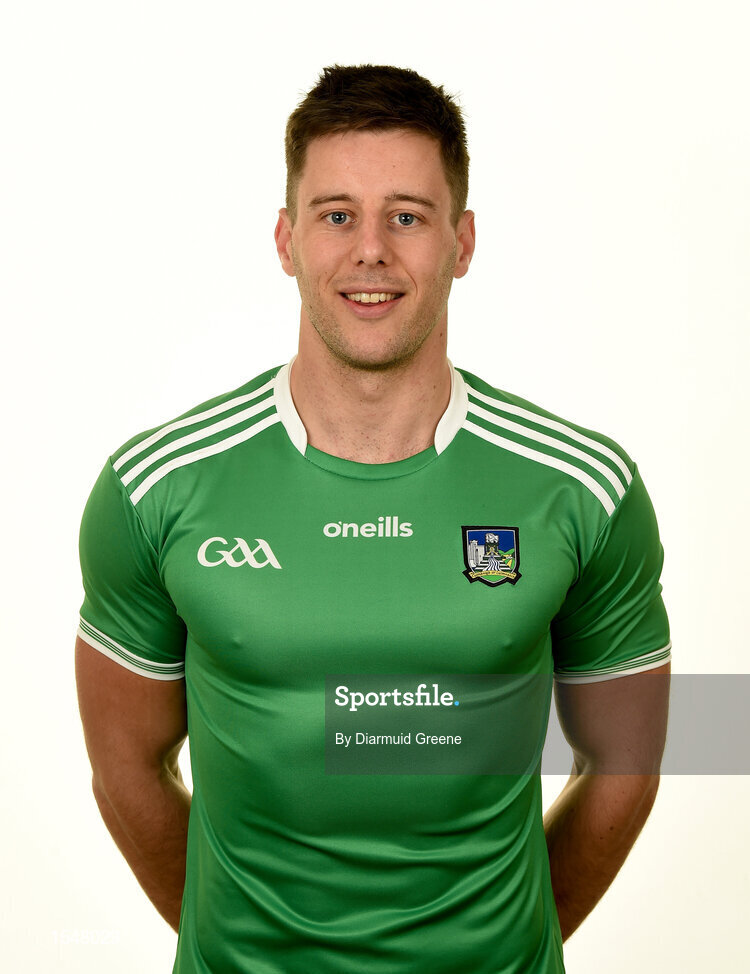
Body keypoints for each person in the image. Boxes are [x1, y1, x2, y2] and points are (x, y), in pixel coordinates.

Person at [75, 64, 671, 973]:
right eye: (335, 215)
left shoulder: (585, 489)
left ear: (462, 242)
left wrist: (507, 946)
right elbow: (124, 771)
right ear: (286, 239)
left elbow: (629, 764)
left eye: (407, 216)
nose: (370, 251)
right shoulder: (156, 487)